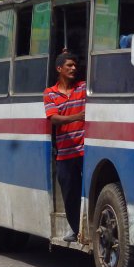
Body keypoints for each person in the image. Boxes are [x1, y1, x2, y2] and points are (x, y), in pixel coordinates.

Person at [43, 51, 86, 242]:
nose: (73, 68)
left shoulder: (83, 88)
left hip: (85, 150)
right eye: (69, 65)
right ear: (59, 69)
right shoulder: (50, 93)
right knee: (70, 194)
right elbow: (54, 119)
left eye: (75, 65)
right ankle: (76, 230)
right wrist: (77, 117)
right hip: (65, 153)